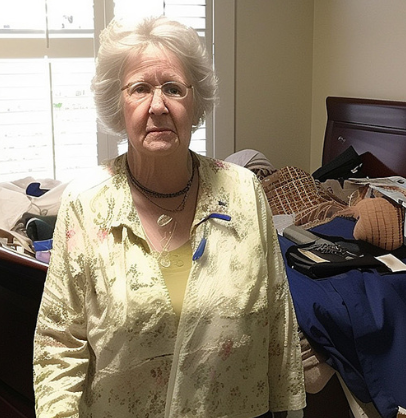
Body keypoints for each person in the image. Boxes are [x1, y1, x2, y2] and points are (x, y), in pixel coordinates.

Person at [33, 15, 306, 418]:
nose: (158, 105)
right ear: (118, 103)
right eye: (140, 88)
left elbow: (278, 320)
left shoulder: (244, 191)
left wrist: (291, 410)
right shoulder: (85, 202)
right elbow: (59, 344)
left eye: (174, 89)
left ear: (195, 103)